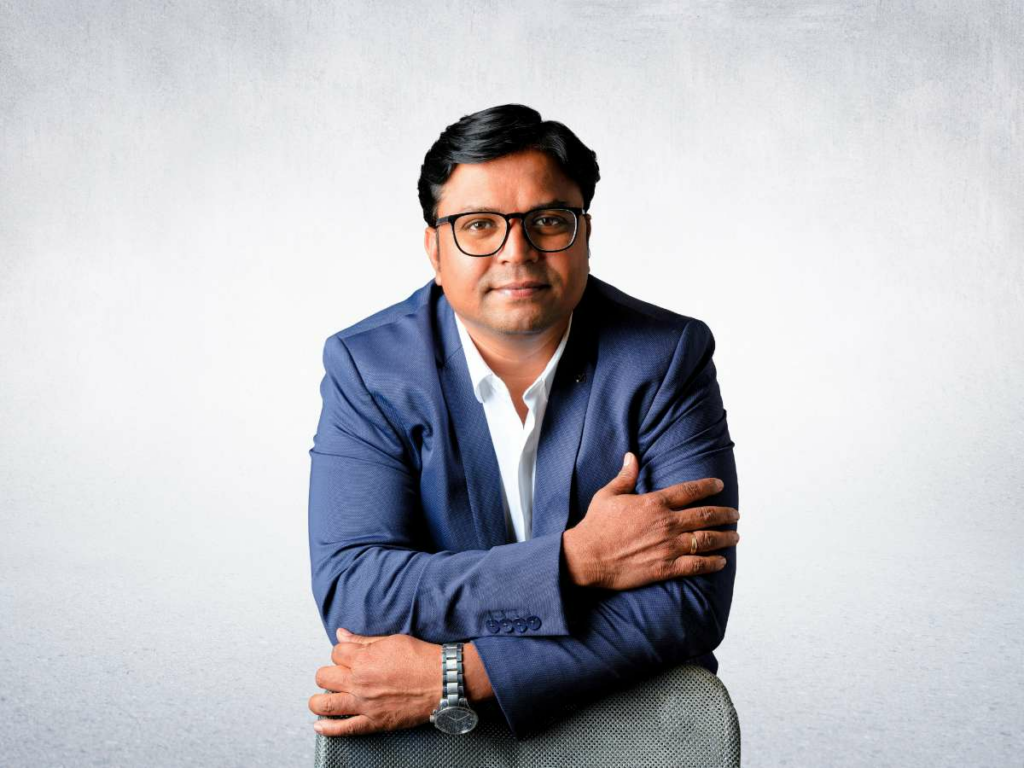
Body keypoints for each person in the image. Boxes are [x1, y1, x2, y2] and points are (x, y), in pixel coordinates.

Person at [307, 103, 741, 741]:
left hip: (631, 719)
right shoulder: (368, 367)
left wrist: (462, 674)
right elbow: (357, 594)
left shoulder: (666, 356)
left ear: (584, 233)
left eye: (548, 221)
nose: (517, 252)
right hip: (428, 739)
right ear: (434, 247)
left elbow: (691, 603)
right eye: (479, 225)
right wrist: (578, 560)